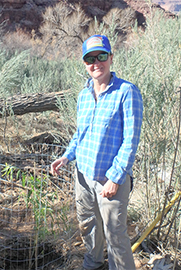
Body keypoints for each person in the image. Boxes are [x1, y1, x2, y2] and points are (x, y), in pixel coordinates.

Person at [50, 35, 142, 270]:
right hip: (83, 176)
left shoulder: (126, 92)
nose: (96, 63)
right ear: (84, 63)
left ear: (111, 58)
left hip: (109, 180)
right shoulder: (83, 96)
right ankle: (93, 264)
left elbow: (131, 140)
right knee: (88, 225)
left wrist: (116, 176)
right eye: (90, 59)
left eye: (101, 56)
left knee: (115, 235)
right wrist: (66, 156)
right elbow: (81, 134)